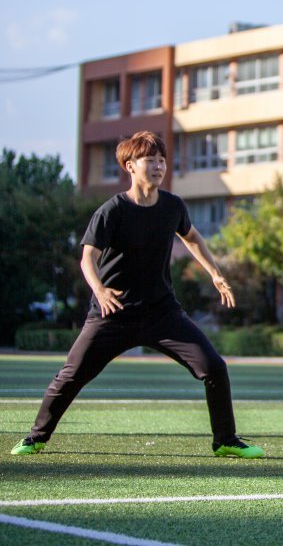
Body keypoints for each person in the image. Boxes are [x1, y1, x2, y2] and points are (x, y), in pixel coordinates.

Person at [10, 131, 263, 459]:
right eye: (150, 159)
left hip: (161, 313)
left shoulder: (172, 206)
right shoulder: (113, 210)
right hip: (113, 311)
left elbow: (192, 237)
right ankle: (35, 437)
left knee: (214, 366)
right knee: (71, 375)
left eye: (162, 159)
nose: (159, 166)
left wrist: (215, 274)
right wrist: (99, 290)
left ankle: (226, 440)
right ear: (130, 166)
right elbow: (88, 257)